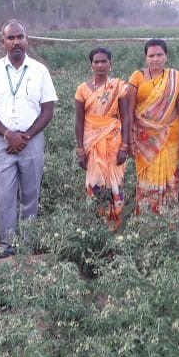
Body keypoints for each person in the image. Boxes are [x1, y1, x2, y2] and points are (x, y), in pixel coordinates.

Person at [0, 19, 57, 258]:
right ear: (3, 42)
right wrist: (8, 134)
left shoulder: (40, 71)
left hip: (32, 141)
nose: (16, 42)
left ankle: (27, 241)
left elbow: (48, 110)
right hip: (2, 143)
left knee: (31, 194)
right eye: (10, 38)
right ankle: (7, 243)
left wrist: (26, 136)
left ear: (26, 39)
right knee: (4, 195)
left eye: (20, 37)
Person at [127, 38, 179, 214]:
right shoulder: (137, 77)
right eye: (151, 55)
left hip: (171, 136)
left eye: (159, 55)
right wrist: (129, 139)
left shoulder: (175, 78)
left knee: (170, 176)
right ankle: (148, 217)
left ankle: (169, 218)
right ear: (146, 58)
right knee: (148, 177)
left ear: (166, 57)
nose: (155, 59)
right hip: (145, 138)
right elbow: (129, 111)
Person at [74, 47, 132, 230]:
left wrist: (124, 147)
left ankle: (114, 226)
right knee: (94, 184)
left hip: (114, 142)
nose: (100, 65)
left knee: (115, 184)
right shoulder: (82, 90)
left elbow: (126, 117)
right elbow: (79, 121)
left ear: (110, 64)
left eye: (103, 61)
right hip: (91, 142)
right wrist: (80, 150)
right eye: (96, 61)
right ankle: (96, 228)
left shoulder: (118, 87)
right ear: (91, 64)